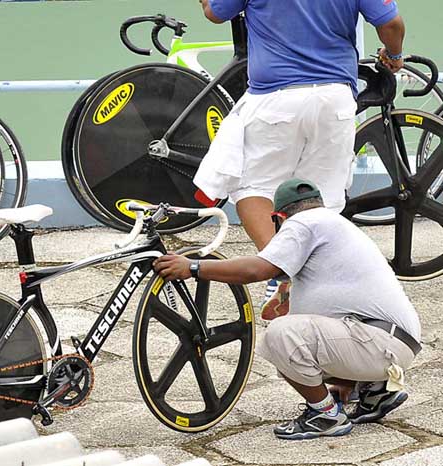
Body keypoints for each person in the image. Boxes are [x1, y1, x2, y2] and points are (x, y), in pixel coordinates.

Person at [153, 178, 421, 439]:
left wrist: (193, 267)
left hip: (377, 344)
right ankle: (374, 391)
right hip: (392, 344)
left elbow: (257, 270)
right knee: (296, 340)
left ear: (279, 217)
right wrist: (345, 381)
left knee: (281, 337)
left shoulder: (302, 223)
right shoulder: (333, 223)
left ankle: (325, 415)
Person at [194, 0, 406, 317]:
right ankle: (312, 284)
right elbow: (391, 23)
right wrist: (394, 55)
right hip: (334, 98)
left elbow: (215, 12)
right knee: (322, 198)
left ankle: (281, 270)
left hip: (275, 98)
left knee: (252, 188)